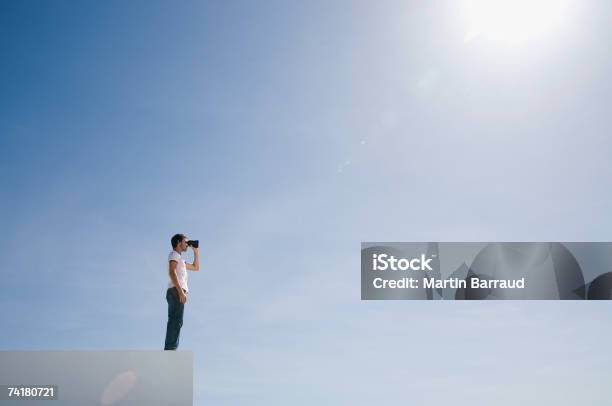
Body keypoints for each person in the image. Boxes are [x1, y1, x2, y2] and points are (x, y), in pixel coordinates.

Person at [164, 233, 199, 350]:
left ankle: (171, 349)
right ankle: (170, 350)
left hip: (177, 291)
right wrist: (180, 292)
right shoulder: (174, 254)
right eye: (186, 242)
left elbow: (195, 267)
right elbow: (171, 272)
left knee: (177, 322)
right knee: (175, 321)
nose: (187, 245)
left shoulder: (181, 260)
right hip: (176, 291)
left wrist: (196, 252)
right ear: (179, 242)